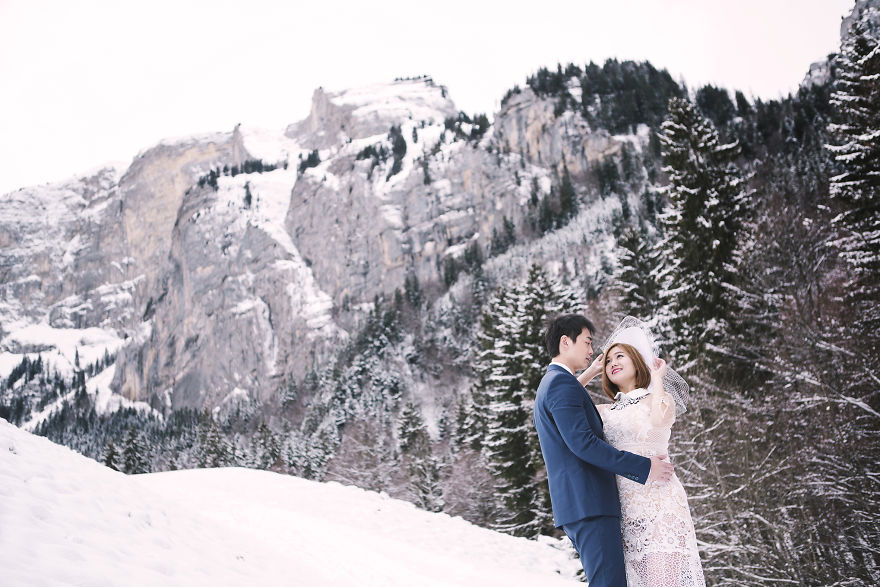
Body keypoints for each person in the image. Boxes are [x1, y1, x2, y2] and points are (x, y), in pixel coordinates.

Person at [533, 314, 674, 586]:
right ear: (566, 342)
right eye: (587, 342)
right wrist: (645, 468)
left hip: (579, 504)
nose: (591, 351)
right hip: (591, 502)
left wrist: (588, 374)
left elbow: (566, 408)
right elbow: (584, 444)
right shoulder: (561, 385)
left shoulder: (550, 384)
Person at [582, 317, 705, 586]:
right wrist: (591, 371)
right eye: (608, 360)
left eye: (619, 356)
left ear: (637, 363)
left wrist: (658, 379)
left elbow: (662, 419)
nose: (612, 363)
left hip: (661, 504)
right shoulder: (604, 412)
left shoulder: (657, 399)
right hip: (623, 512)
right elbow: (559, 402)